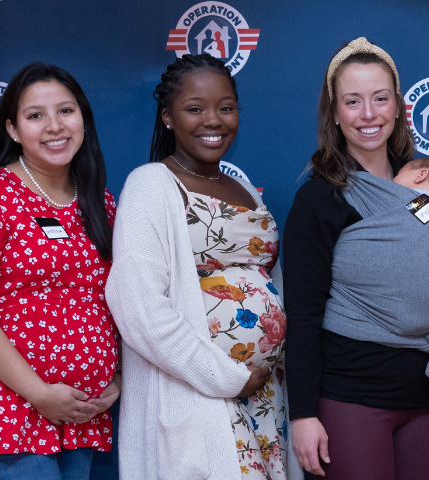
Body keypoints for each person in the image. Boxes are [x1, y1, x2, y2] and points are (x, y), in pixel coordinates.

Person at [284, 37, 429, 480]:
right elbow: (301, 315)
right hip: (351, 397)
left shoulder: (417, 190)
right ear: (334, 112)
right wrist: (302, 414)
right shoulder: (322, 198)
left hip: (427, 397)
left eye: (380, 99)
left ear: (398, 105)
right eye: (352, 102)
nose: (369, 114)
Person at [0, 62, 120, 480]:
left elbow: (115, 300)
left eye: (66, 111)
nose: (54, 126)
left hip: (80, 417)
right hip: (4, 414)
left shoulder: (101, 203)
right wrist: (39, 394)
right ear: (14, 130)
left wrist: (118, 373)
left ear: (84, 121)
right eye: (36, 116)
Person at [108, 54, 284, 480]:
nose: (214, 120)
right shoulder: (151, 184)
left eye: (225, 107)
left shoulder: (242, 188)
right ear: (168, 118)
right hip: (199, 395)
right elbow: (139, 309)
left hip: (262, 396)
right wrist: (225, 377)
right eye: (194, 109)